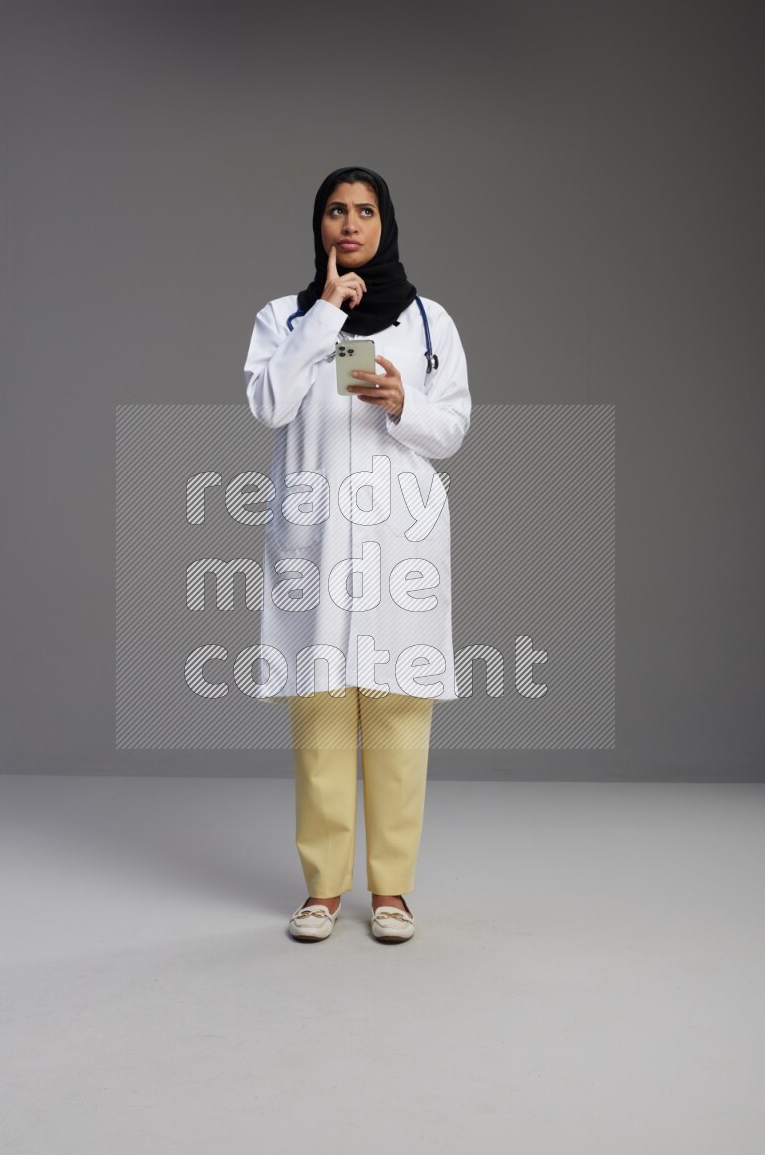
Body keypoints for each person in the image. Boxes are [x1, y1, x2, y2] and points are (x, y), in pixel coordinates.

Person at [244, 166, 471, 943]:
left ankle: (392, 891)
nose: (350, 223)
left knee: (399, 717)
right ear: (319, 225)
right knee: (321, 718)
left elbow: (454, 430)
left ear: (386, 223)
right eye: (336, 210)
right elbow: (269, 403)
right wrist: (322, 323)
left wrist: (405, 404)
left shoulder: (428, 321)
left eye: (365, 210)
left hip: (398, 540)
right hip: (315, 541)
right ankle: (321, 890)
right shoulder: (284, 316)